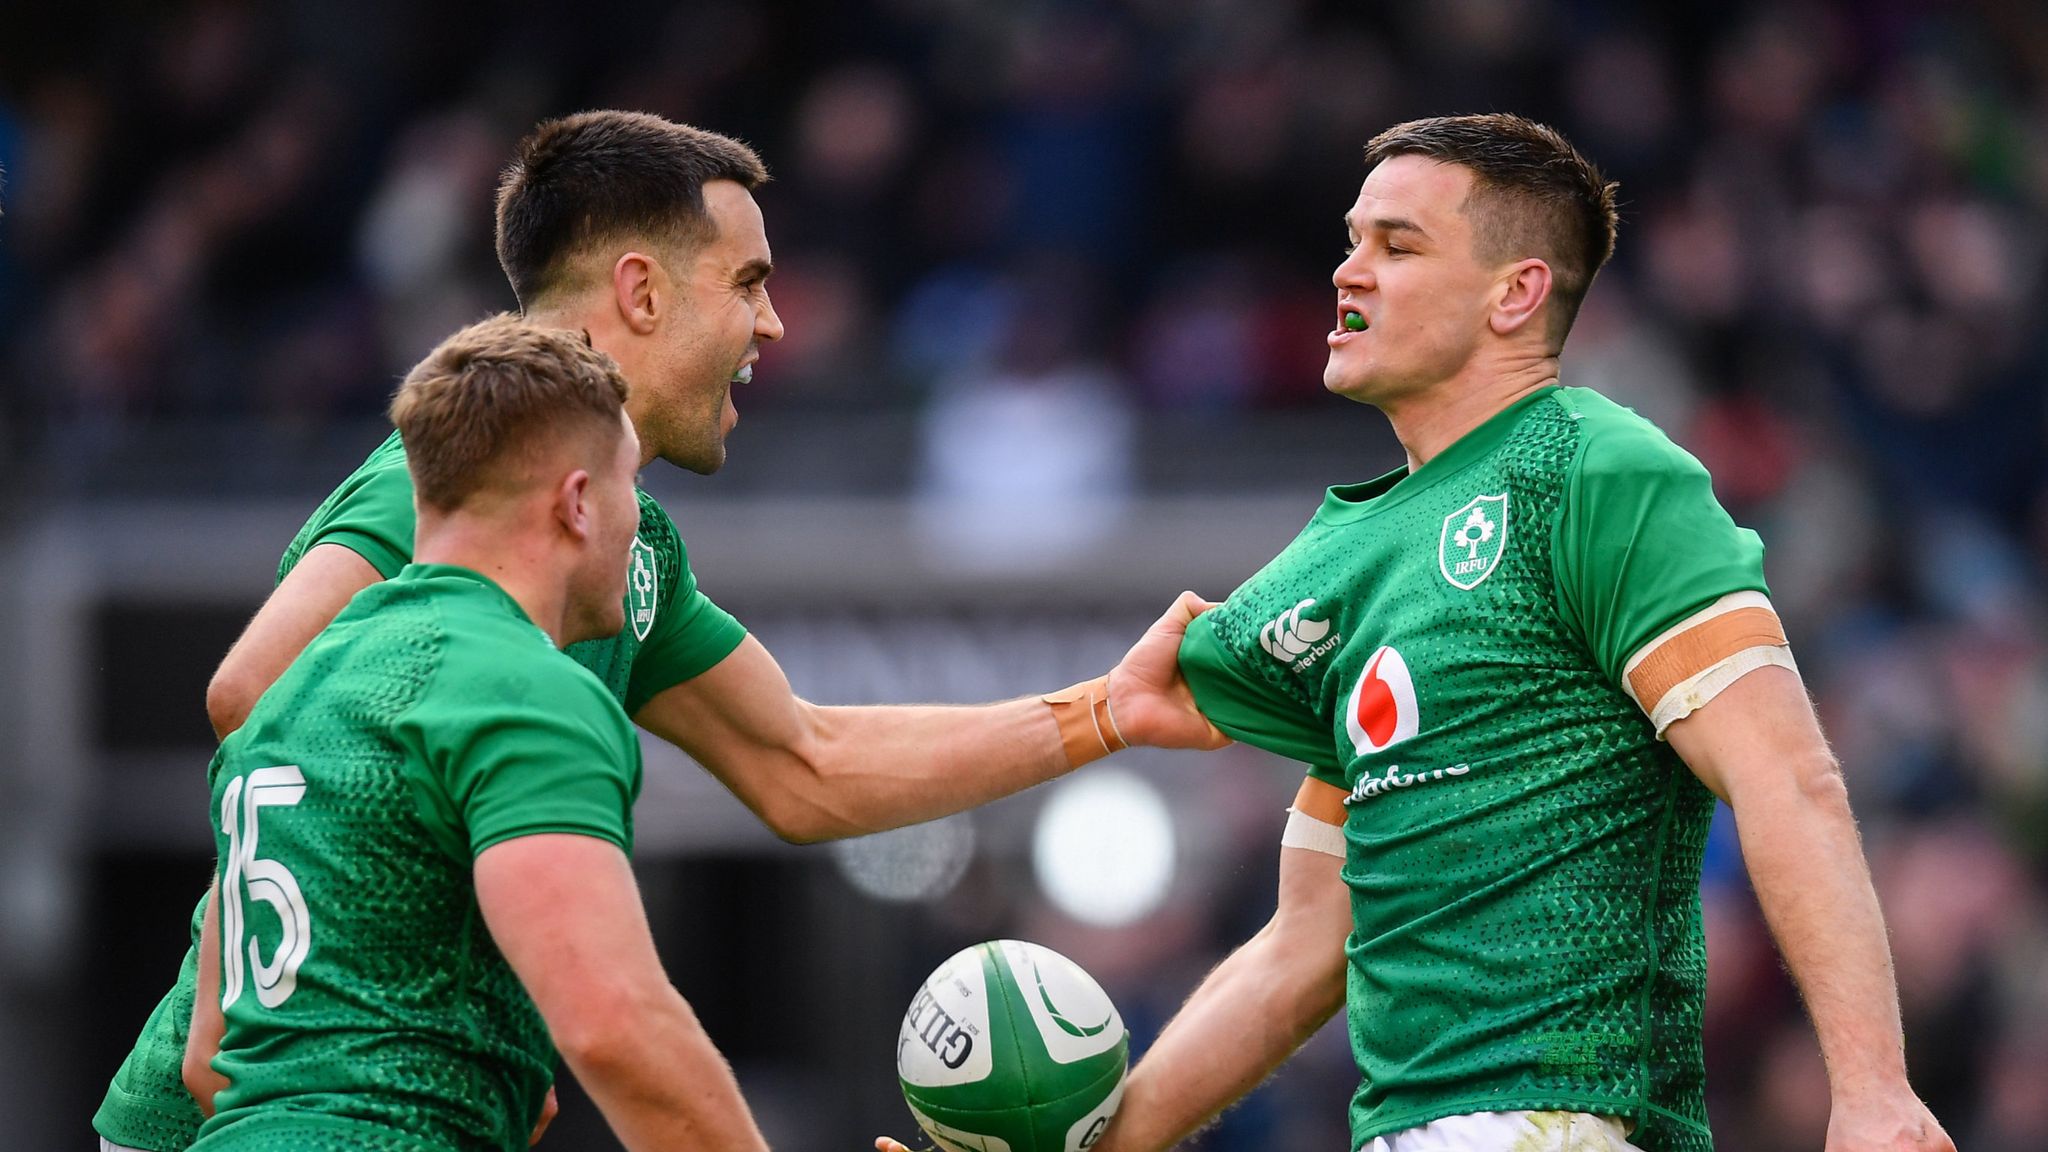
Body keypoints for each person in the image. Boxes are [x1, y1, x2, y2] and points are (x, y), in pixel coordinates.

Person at [93, 111, 1224, 1152]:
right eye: (746, 281)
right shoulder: (452, 484)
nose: (773, 321)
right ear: (639, 291)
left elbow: (807, 764)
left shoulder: (622, 553)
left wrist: (1101, 713)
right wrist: (445, 998)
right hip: (301, 1105)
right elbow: (260, 694)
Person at [882, 113, 1957, 1152]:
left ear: (1514, 293)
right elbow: (1299, 954)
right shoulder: (1340, 565)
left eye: (1396, 246)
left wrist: (1871, 1092)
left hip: (1555, 1116)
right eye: (1351, 241)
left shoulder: (1598, 473)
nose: (1348, 272)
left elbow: (1785, 775)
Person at [178, 314, 771, 1150]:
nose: (637, 522)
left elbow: (209, 1063)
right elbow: (616, 1027)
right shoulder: (518, 689)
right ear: (576, 504)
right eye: (627, 487)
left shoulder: (294, 688)